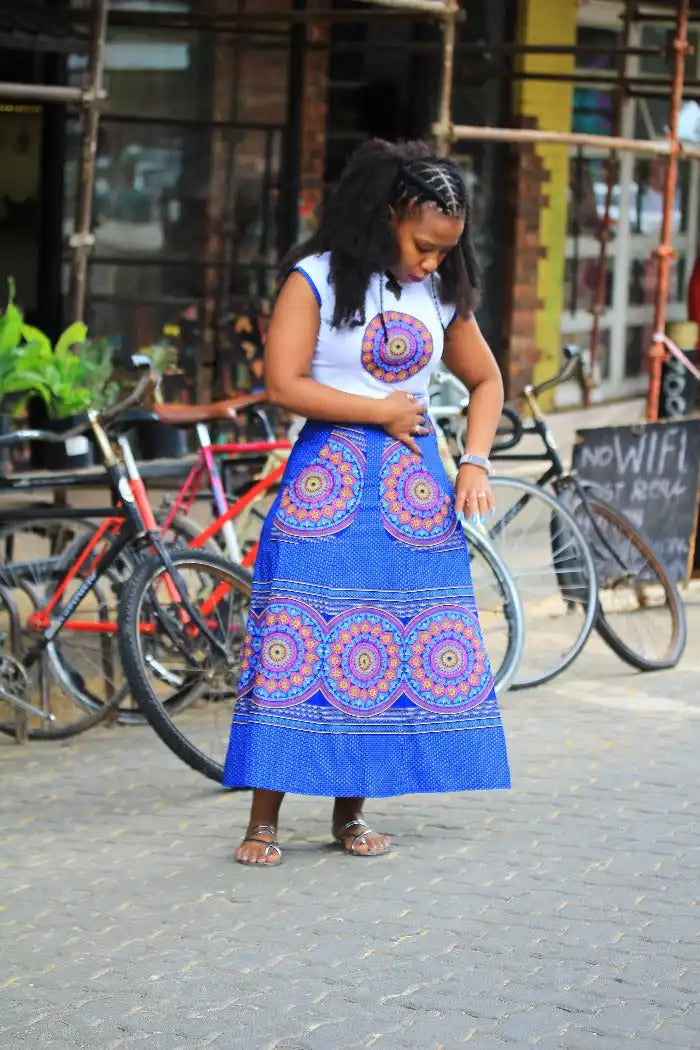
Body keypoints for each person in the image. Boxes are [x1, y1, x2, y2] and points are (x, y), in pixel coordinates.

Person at [223, 139, 511, 865]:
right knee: (298, 638)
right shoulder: (313, 279)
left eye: (445, 252)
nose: (431, 264)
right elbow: (283, 383)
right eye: (423, 247)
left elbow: (487, 381)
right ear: (386, 216)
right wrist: (377, 411)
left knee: (375, 650)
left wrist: (474, 461)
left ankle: (350, 815)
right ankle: (263, 821)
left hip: (413, 502)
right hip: (326, 490)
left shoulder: (438, 294)